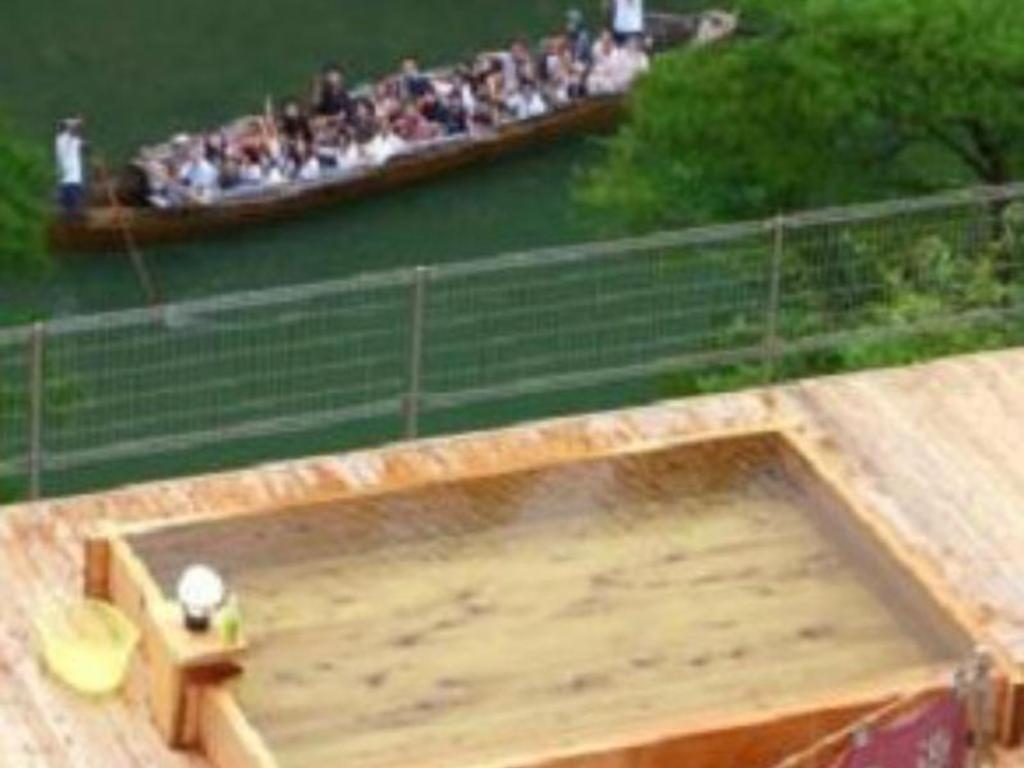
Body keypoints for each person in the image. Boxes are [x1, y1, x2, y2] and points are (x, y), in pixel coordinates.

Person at [55, 118, 86, 216]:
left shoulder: (71, 140)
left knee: (69, 210)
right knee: (73, 209)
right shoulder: (62, 140)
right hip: (71, 181)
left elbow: (85, 145)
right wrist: (79, 121)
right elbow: (73, 131)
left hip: (67, 180)